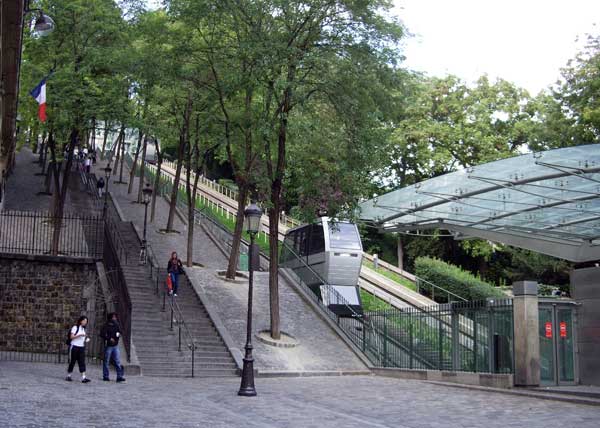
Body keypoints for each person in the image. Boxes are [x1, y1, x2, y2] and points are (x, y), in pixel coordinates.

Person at [100, 312, 126, 382]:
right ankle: (106, 376)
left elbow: (120, 332)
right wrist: (109, 338)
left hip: (115, 345)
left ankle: (119, 376)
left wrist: (119, 334)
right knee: (106, 361)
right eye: (113, 317)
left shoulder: (116, 324)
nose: (115, 318)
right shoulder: (106, 325)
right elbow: (102, 334)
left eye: (115, 317)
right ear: (111, 318)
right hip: (108, 345)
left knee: (117, 361)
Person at [66, 316, 91, 383]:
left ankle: (83, 377)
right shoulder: (75, 327)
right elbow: (71, 337)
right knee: (72, 361)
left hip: (81, 347)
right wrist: (79, 335)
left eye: (86, 321)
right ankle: (69, 375)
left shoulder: (83, 329)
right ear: (81, 321)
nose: (85, 322)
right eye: (84, 321)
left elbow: (83, 338)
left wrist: (86, 339)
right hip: (74, 347)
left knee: (82, 362)